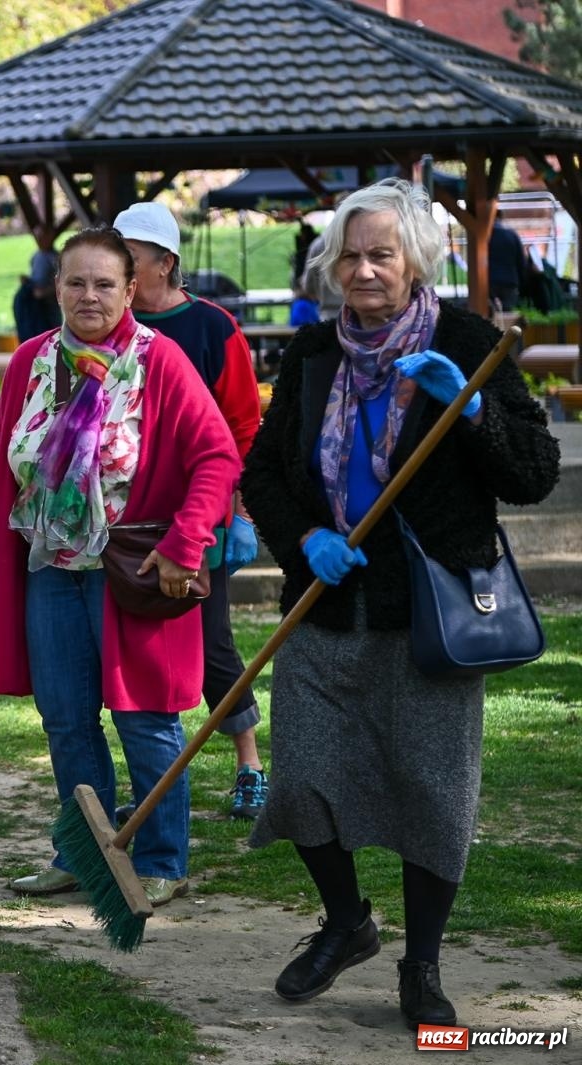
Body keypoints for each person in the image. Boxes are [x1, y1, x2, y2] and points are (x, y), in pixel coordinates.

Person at [241, 179, 560, 1027]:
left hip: (432, 614)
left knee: (432, 792)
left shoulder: (469, 342)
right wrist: (304, 538)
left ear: (415, 258)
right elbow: (263, 472)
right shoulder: (312, 355)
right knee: (301, 782)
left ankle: (422, 967)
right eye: (350, 254)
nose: (364, 269)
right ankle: (347, 922)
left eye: (381, 252)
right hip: (326, 605)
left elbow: (532, 473)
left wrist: (473, 405)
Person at [0, 226, 239, 908]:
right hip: (49, 570)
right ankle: (82, 851)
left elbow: (218, 455)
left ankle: (162, 859)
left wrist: (185, 542)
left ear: (132, 289)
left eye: (105, 283)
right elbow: (2, 480)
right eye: (76, 282)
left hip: (133, 574)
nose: (90, 295)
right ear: (55, 288)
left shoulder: (160, 361)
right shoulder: (30, 362)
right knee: (66, 719)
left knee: (145, 718)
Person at [113, 201, 269, 821]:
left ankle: (250, 764)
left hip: (198, 519)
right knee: (135, 652)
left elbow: (242, 427)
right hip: (124, 521)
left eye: (130, 261)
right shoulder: (111, 331)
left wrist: (240, 514)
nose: (117, 274)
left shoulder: (211, 328)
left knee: (212, 643)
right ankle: (155, 783)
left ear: (166, 263)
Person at [12, 224, 63, 343]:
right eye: (37, 236)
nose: (39, 239)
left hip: (49, 308)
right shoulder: (36, 256)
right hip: (34, 309)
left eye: (42, 236)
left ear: (50, 236)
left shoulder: (56, 258)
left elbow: (62, 283)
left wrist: (45, 291)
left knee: (50, 342)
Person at [487, 212, 524, 313]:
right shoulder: (512, 235)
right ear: (501, 217)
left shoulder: (485, 237)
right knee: (508, 314)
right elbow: (521, 262)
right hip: (510, 282)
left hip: (490, 281)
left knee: (490, 316)